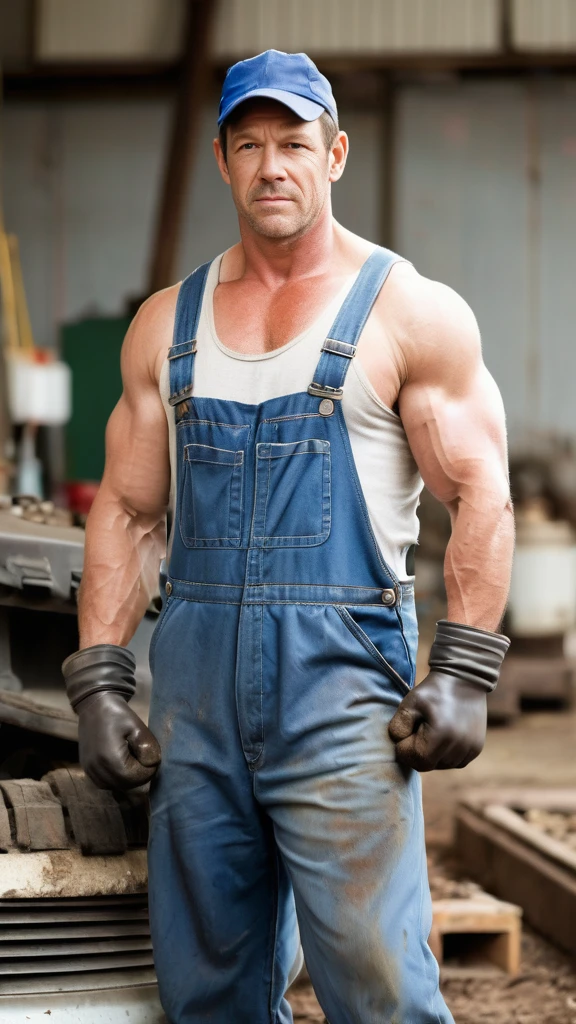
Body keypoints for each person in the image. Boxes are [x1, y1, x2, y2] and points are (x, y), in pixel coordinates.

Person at [63, 50, 513, 1024]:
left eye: (294, 142)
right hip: (195, 697)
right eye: (251, 143)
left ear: (335, 154)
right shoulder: (162, 328)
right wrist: (99, 675)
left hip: (343, 690)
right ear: (223, 160)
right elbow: (131, 512)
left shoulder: (409, 311)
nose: (273, 164)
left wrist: (466, 667)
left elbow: (481, 490)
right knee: (209, 987)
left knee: (379, 986)